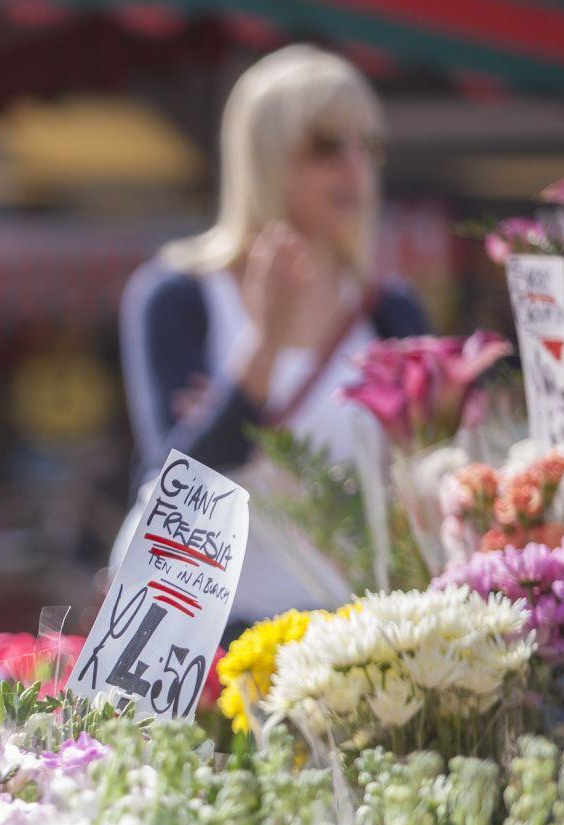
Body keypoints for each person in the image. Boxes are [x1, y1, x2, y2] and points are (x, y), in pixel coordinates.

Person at [119, 45, 429, 629]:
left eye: (368, 145)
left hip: (356, 634)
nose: (354, 167)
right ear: (263, 155)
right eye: (325, 145)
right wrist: (264, 345)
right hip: (202, 637)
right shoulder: (178, 296)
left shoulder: (391, 311)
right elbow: (180, 483)